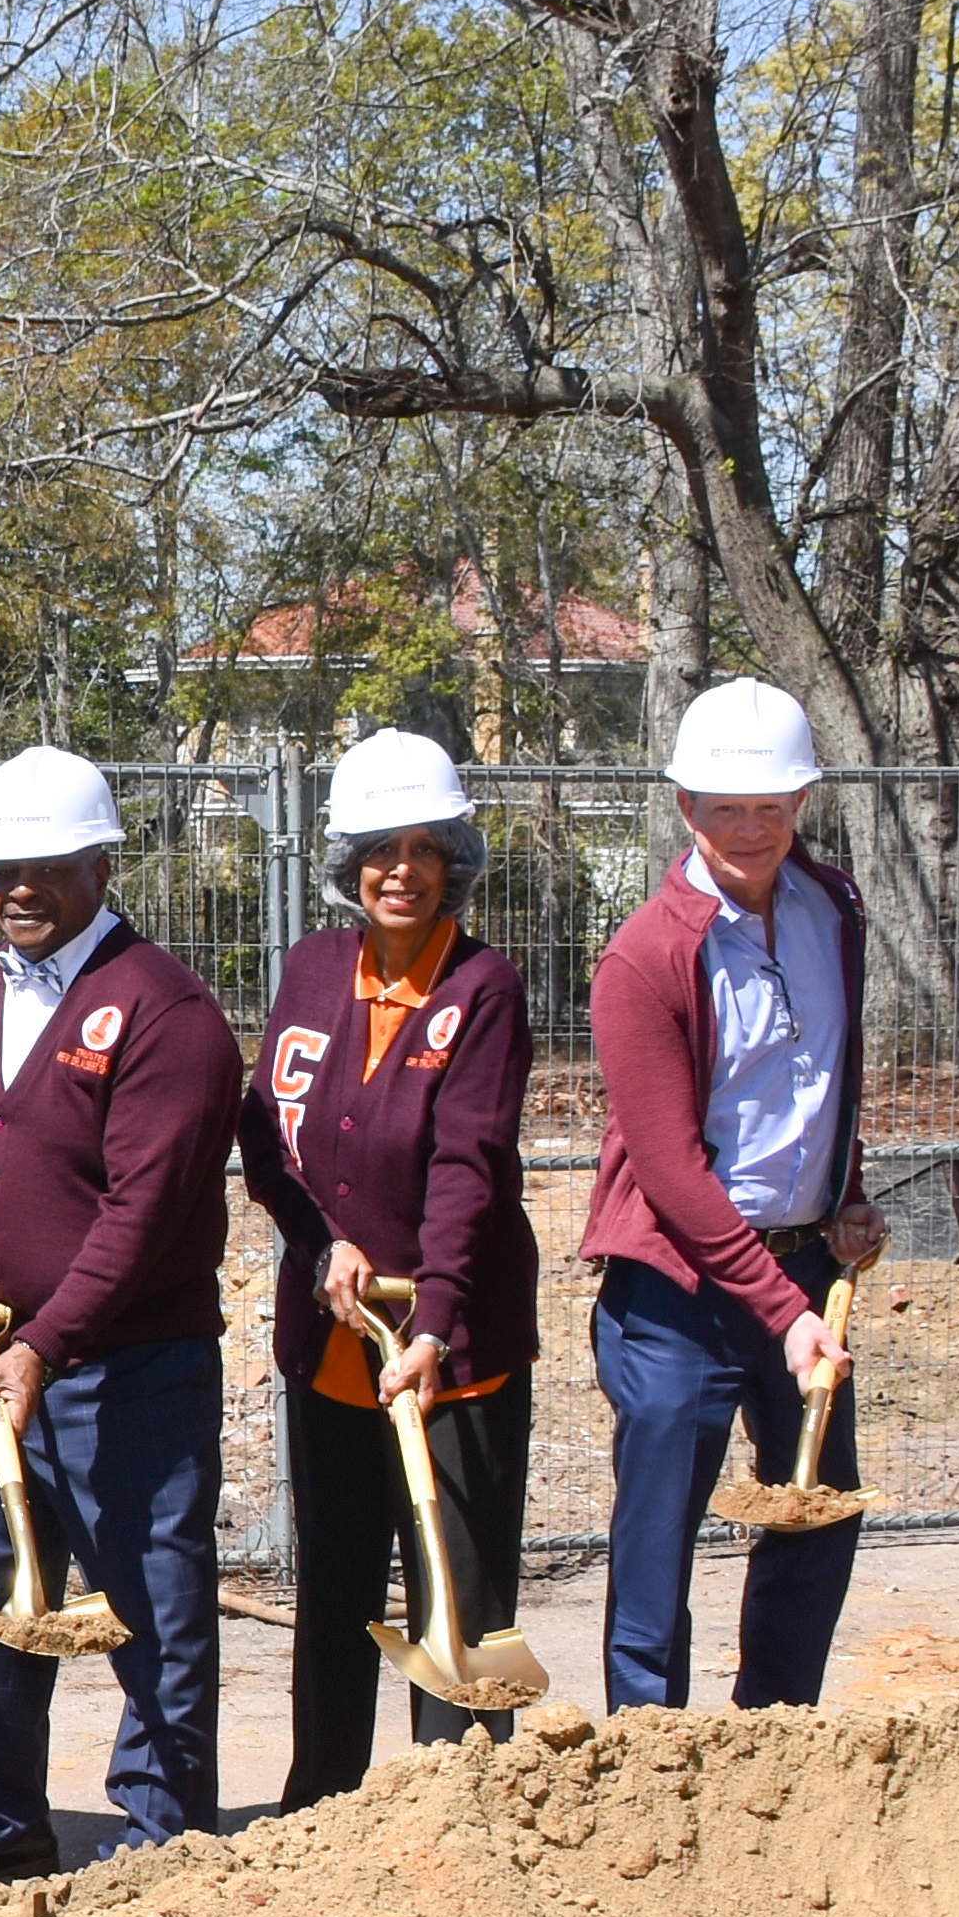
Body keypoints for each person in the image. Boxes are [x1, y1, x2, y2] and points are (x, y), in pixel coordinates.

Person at [0, 745, 242, 1891]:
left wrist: (45, 1342)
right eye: (1, 868)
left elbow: (142, 1213)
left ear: (100, 860)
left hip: (126, 1370)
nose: (20, 888)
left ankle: (162, 1833)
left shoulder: (165, 1012)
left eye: (47, 865)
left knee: (151, 1598)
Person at [237, 729, 538, 1794]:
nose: (400, 869)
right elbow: (264, 1132)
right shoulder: (315, 969)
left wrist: (439, 1319)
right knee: (338, 1593)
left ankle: (458, 1813)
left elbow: (470, 1165)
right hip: (333, 1347)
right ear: (347, 863)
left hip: (455, 1356)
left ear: (456, 857)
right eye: (378, 848)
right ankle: (322, 1806)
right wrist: (321, 1242)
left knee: (455, 1597)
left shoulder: (483, 989)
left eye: (424, 846)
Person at [585, 676, 888, 1708]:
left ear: (804, 800)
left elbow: (822, 1076)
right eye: (726, 808)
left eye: (772, 806)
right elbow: (670, 1168)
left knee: (819, 1503)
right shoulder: (646, 956)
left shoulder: (834, 908)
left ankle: (777, 1736)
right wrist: (781, 1313)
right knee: (661, 1521)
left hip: (804, 1261)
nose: (751, 829)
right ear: (685, 808)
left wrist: (843, 1191)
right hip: (678, 1285)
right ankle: (647, 1753)